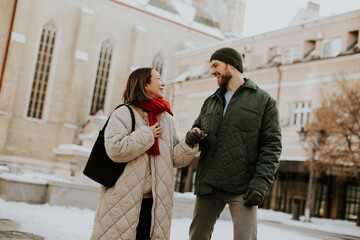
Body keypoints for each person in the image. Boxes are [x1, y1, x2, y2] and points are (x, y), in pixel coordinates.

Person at [90, 67, 199, 240]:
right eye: (158, 78)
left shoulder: (167, 118)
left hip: (156, 204)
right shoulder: (123, 113)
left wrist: (189, 143)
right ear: (145, 85)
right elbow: (115, 150)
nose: (163, 83)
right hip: (123, 201)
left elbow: (175, 159)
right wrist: (147, 134)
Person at [186, 47, 282, 240]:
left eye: (215, 66)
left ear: (232, 65)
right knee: (197, 237)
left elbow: (271, 146)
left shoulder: (264, 101)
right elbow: (198, 127)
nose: (212, 71)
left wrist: (260, 184)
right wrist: (192, 136)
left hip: (243, 187)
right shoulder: (211, 101)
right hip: (209, 183)